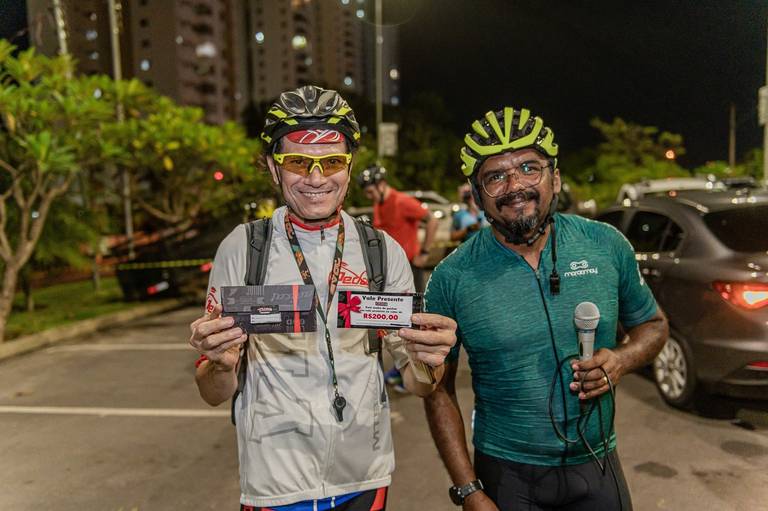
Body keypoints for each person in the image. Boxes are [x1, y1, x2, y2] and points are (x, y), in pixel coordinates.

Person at [188, 85, 457, 511]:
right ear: (274, 168)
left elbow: (417, 383)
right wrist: (219, 364)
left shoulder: (381, 251)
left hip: (364, 478)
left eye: (331, 162)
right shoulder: (243, 249)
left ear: (349, 167)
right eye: (298, 162)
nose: (316, 179)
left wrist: (430, 360)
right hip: (275, 485)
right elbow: (213, 392)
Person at [423, 106, 668, 510]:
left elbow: (654, 325)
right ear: (477, 193)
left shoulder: (605, 244)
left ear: (555, 178)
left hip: (597, 463)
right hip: (507, 473)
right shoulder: (452, 276)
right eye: (495, 176)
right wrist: (468, 490)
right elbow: (437, 391)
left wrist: (621, 360)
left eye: (529, 168)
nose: (515, 185)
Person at [357, 165, 439, 392]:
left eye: (371, 191)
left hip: (409, 267)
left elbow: (432, 220)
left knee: (412, 320)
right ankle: (399, 370)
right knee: (390, 323)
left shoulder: (402, 201)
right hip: (387, 272)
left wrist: (425, 251)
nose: (369, 196)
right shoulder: (379, 204)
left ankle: (416, 372)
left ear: (381, 184)